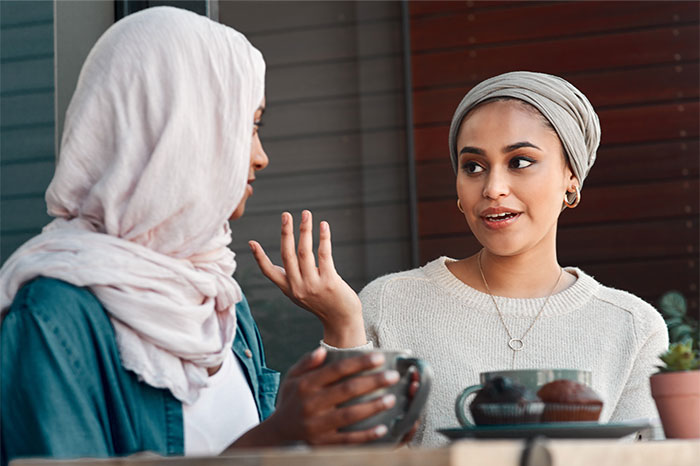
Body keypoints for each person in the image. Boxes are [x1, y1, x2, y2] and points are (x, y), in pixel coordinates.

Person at [0, 7, 403, 463]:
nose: (261, 156)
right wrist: (278, 435)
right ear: (178, 130)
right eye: (247, 126)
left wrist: (341, 329)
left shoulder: (217, 300)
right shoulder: (53, 316)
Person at [259, 71, 668, 447]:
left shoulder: (631, 326)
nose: (492, 188)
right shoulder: (390, 302)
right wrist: (341, 324)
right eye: (473, 166)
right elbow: (341, 454)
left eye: (520, 162)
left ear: (570, 178)